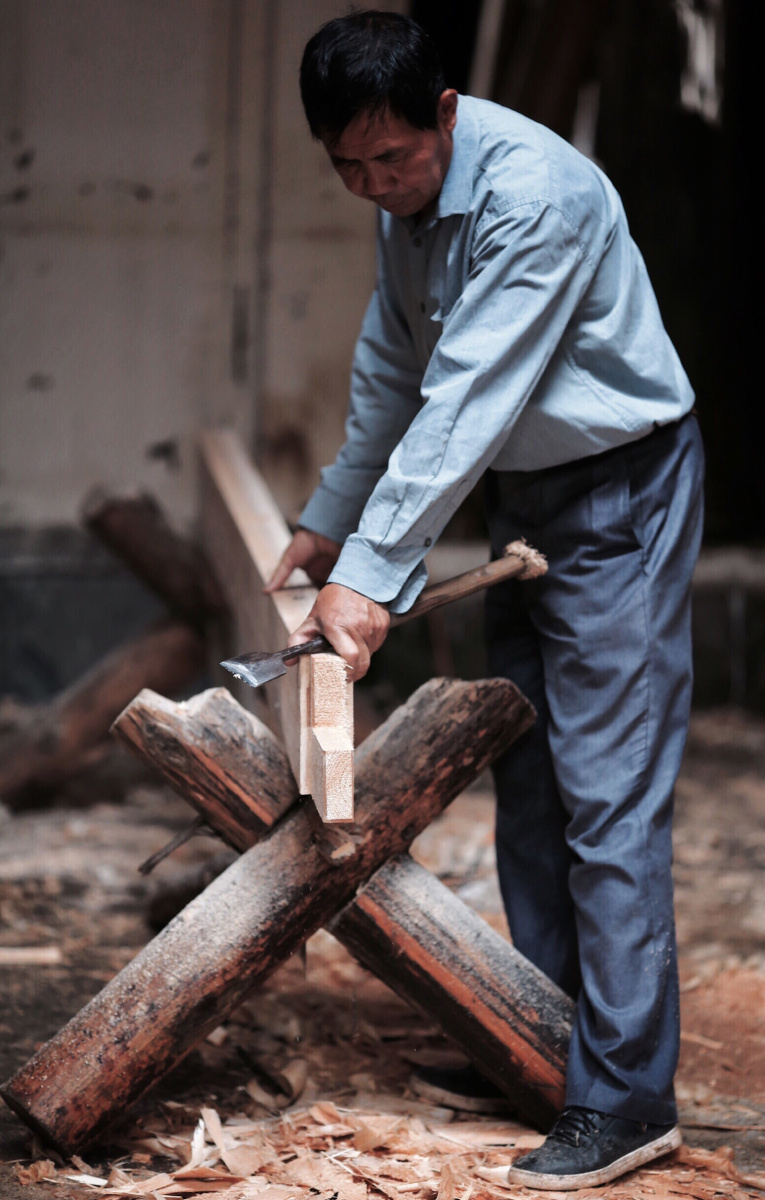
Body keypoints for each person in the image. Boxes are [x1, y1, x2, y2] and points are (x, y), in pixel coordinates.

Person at [265, 11, 704, 1190]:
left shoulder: (534, 197)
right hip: (525, 493)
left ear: (447, 114)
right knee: (533, 783)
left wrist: (369, 578)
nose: (375, 184)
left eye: (393, 158)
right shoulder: (402, 200)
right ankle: (547, 1050)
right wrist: (332, 518)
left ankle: (625, 1100)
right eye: (348, 167)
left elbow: (466, 395)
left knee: (609, 800)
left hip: (618, 490)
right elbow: (394, 369)